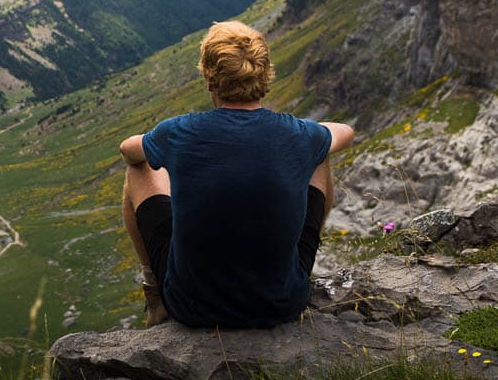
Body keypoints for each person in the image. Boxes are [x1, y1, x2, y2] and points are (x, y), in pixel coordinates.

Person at [119, 20, 354, 328]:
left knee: (138, 170)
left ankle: (155, 296)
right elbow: (346, 133)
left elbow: (128, 150)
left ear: (209, 78)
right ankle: (289, 262)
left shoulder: (179, 132)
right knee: (319, 156)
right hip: (280, 305)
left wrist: (161, 147)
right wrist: (307, 137)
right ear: (264, 74)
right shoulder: (299, 134)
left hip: (191, 307)